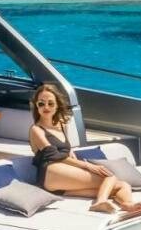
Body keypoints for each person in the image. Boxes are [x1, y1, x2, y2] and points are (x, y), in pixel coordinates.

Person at [27, 83, 135, 214]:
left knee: (122, 185)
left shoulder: (61, 124)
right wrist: (87, 166)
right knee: (110, 177)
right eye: (41, 103)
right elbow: (53, 155)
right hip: (50, 173)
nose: (46, 107)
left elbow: (67, 151)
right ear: (36, 106)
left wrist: (75, 159)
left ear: (57, 106)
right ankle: (100, 202)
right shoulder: (36, 129)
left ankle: (129, 205)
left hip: (62, 181)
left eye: (51, 103)